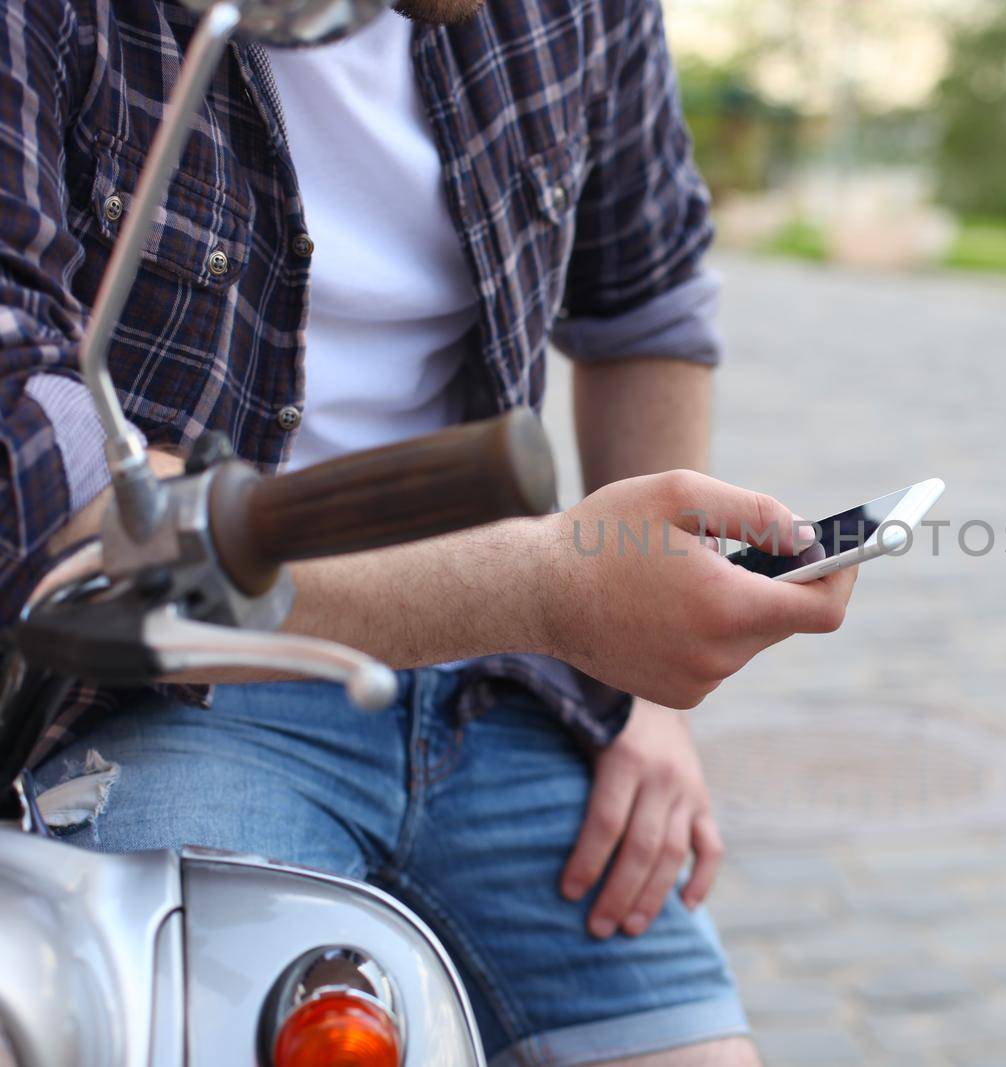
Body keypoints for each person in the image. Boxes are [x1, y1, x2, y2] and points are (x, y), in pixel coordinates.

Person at [0, 0, 857, 1062]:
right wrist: (549, 587)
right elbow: (43, 489)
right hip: (180, 689)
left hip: (502, 686)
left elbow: (646, 296)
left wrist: (647, 711)